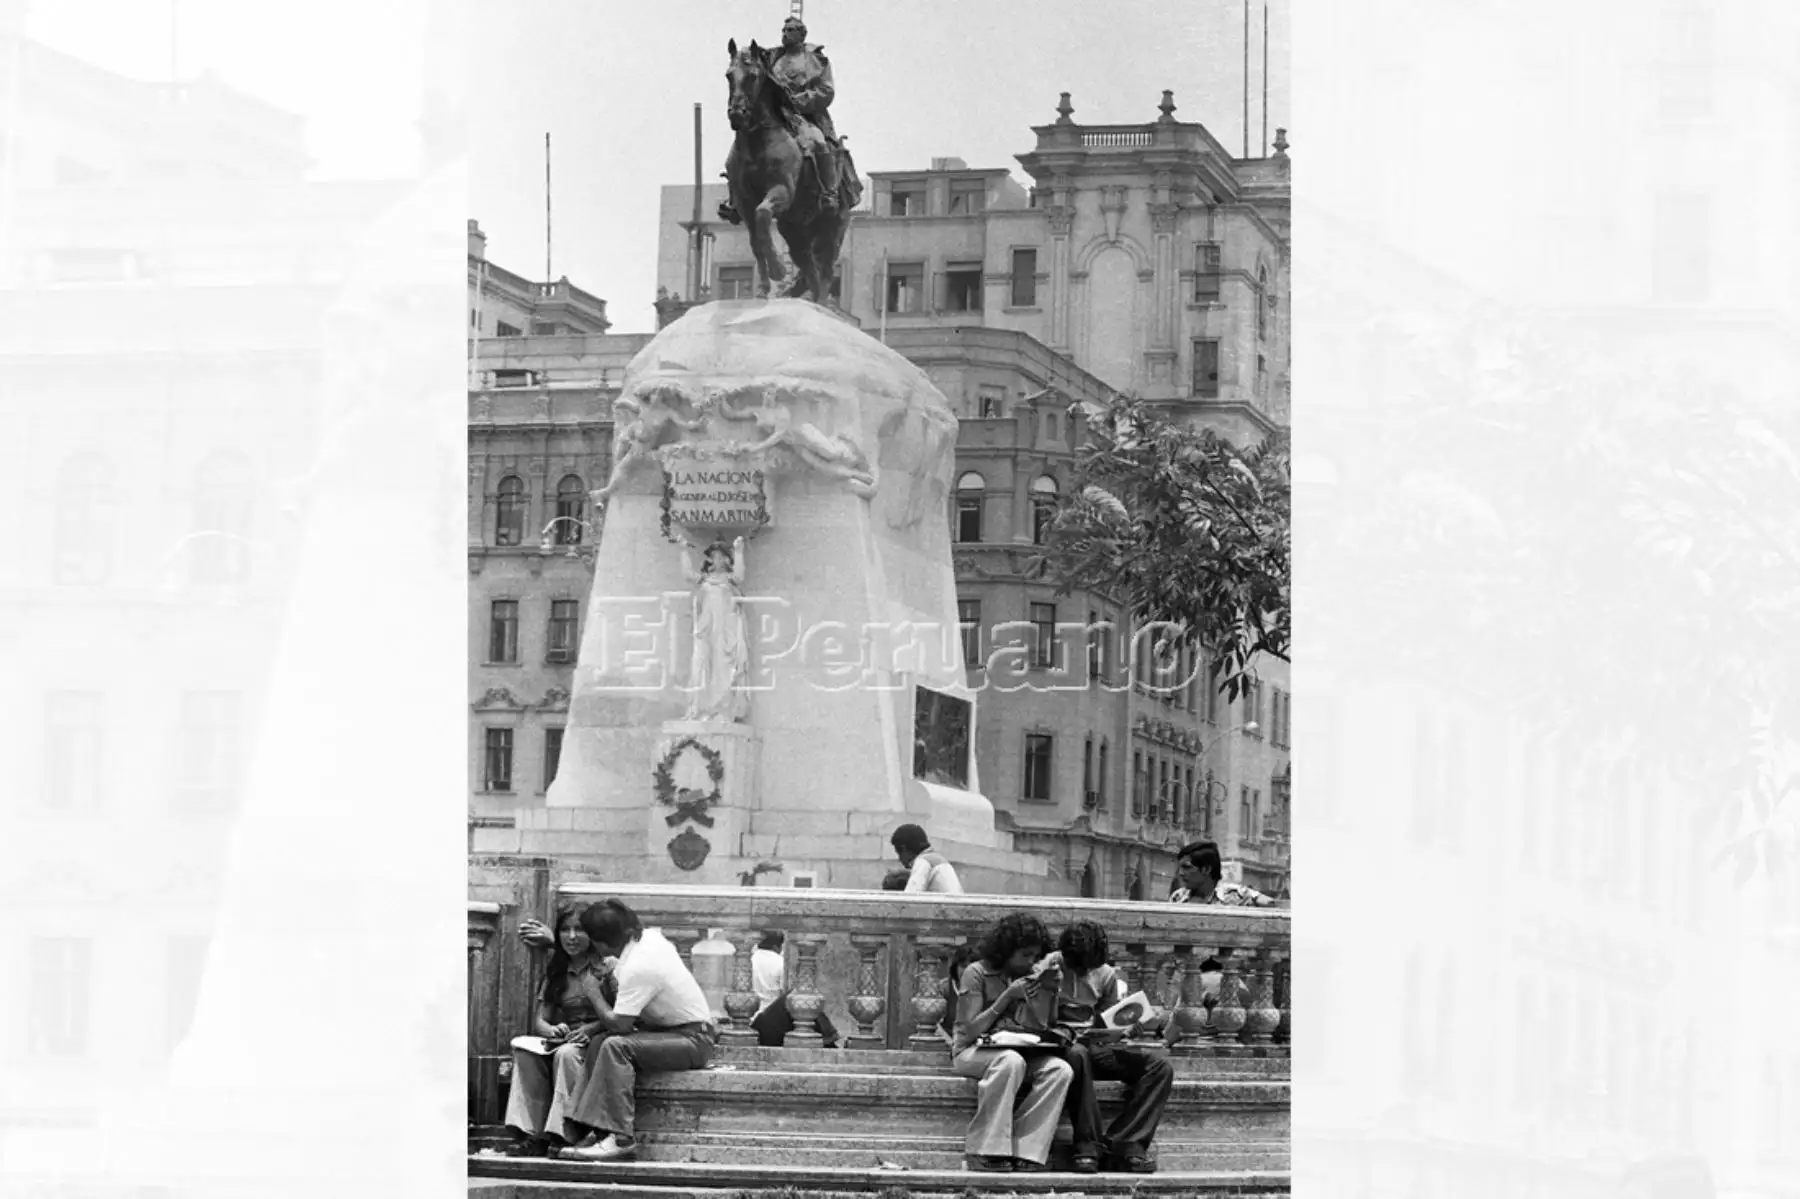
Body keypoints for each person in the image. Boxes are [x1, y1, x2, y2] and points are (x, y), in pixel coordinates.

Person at [560, 900, 719, 1163]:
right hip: (672, 1033)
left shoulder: (639, 966)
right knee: (601, 1041)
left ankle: (621, 1139)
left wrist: (593, 993)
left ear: (600, 943)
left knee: (615, 1045)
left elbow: (621, 1024)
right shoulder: (650, 940)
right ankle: (594, 1129)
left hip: (693, 1039)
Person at [1046, 920, 1177, 1175]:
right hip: (1061, 1047)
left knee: (1159, 1067)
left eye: (1090, 967)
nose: (1085, 972)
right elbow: (1036, 1017)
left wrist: (1123, 1029)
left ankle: (1125, 1141)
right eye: (1080, 966)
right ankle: (1087, 1145)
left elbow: (1105, 1021)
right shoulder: (1048, 967)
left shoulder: (1105, 974)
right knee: (1077, 1054)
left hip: (1095, 1046)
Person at [949, 914, 1073, 1174]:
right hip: (972, 1052)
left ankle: (1027, 1149)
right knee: (1010, 1061)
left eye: (1034, 956)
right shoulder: (977, 973)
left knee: (1060, 1070)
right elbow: (969, 1029)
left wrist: (1050, 992)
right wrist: (1006, 997)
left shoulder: (1031, 975)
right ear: (1007, 951)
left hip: (1019, 1051)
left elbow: (1042, 1027)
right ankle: (984, 1150)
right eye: (1025, 955)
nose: (1030, 962)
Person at [502, 907, 616, 1156]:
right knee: (523, 1049)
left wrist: (592, 1028)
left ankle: (567, 1132)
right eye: (565, 930)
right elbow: (540, 1021)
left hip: (600, 1038)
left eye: (580, 930)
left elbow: (624, 1015)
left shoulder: (607, 967)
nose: (572, 936)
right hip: (567, 1038)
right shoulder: (557, 972)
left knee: (566, 1054)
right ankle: (533, 1133)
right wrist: (553, 1029)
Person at [746, 930, 845, 1048]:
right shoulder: (779, 963)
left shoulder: (750, 960)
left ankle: (829, 1039)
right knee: (800, 997)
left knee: (800, 1000)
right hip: (768, 1023)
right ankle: (830, 1038)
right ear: (777, 946)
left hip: (753, 1022)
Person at [1169, 840, 1275, 906]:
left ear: (1206, 869)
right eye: (1180, 868)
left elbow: (1269, 903)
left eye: (1187, 867)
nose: (1181, 873)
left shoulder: (1235, 894)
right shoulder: (1178, 897)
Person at [891, 823, 964, 894]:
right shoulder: (939, 860)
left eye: (899, 853)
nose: (899, 859)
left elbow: (910, 898)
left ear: (904, 849)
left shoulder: (923, 862)